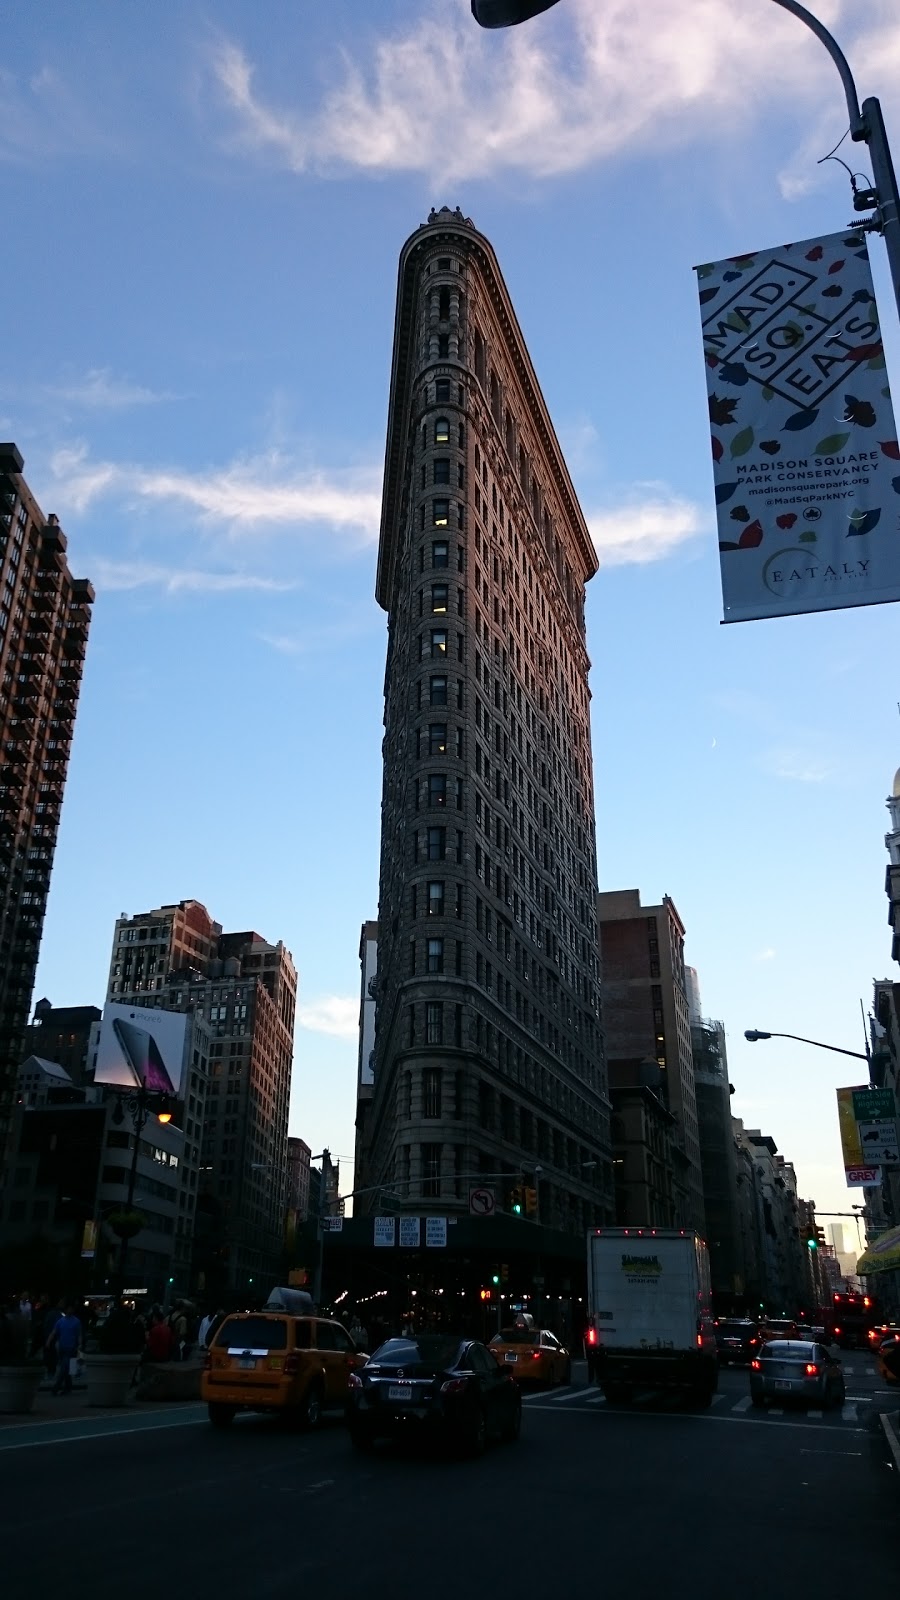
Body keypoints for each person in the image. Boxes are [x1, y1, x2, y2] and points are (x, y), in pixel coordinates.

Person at [49, 1304, 82, 1395]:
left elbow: (78, 1334)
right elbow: (54, 1332)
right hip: (62, 1347)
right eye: (68, 1309)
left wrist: (79, 1344)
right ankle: (68, 1388)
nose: (69, 1311)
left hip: (71, 1348)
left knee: (64, 1368)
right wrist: (48, 1341)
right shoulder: (61, 1321)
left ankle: (57, 1387)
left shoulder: (75, 1321)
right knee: (67, 1368)